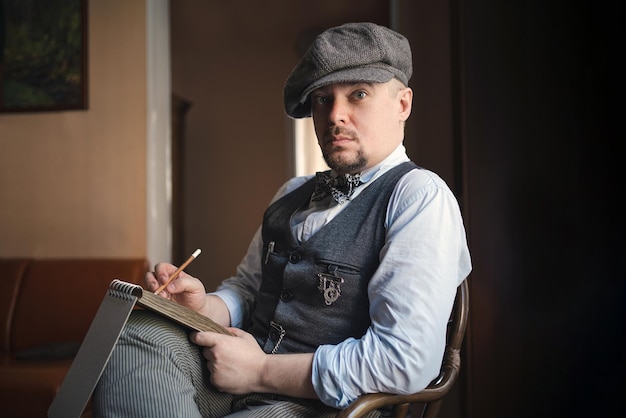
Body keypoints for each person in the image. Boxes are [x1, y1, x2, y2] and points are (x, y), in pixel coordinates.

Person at [93, 22, 471, 418]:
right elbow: (248, 290)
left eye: (358, 94)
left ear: (402, 104)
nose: (335, 115)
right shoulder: (292, 192)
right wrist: (203, 305)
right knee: (136, 336)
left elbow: (403, 362)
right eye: (322, 99)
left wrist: (260, 371)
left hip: (333, 406)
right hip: (237, 377)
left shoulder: (419, 197)